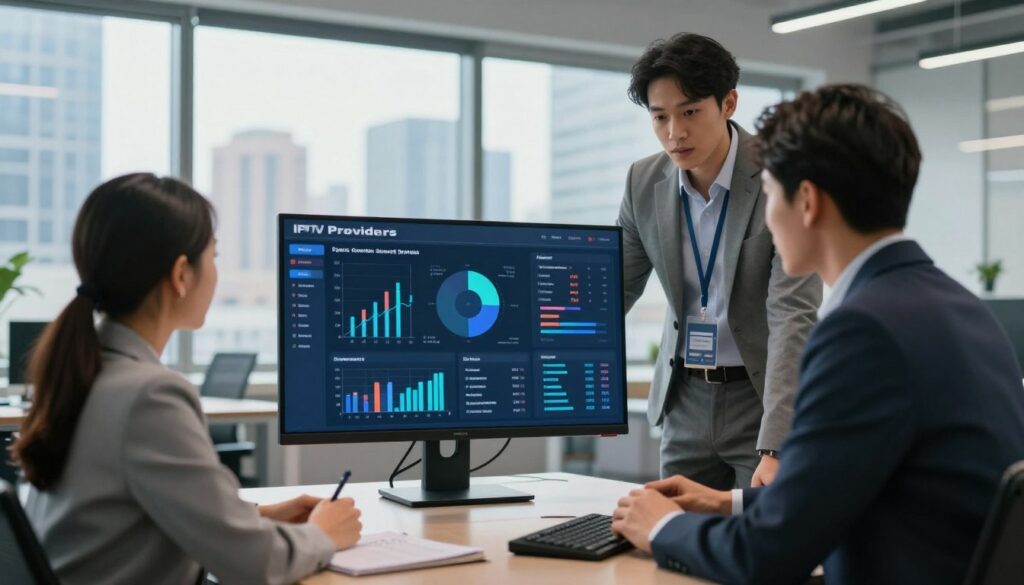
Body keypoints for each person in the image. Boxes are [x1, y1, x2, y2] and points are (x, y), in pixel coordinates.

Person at [611, 84, 1024, 585]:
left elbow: (767, 554)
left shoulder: (861, 332)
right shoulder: (963, 309)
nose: (764, 215)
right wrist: (731, 501)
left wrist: (664, 527)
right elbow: (864, 481)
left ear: (807, 202)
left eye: (767, 195)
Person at [11, 174, 362, 585]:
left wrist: (256, 515)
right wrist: (323, 534)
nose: (216, 273)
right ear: (181, 274)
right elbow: (256, 565)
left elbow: (128, 512)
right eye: (213, 256)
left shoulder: (89, 371)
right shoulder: (150, 395)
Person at [618, 33, 821, 489]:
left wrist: (778, 443)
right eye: (660, 117)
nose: (675, 132)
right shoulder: (643, 181)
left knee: (764, 537)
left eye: (690, 112)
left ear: (728, 103)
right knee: (673, 539)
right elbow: (613, 292)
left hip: (761, 397)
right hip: (685, 397)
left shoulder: (781, 177)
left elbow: (794, 313)